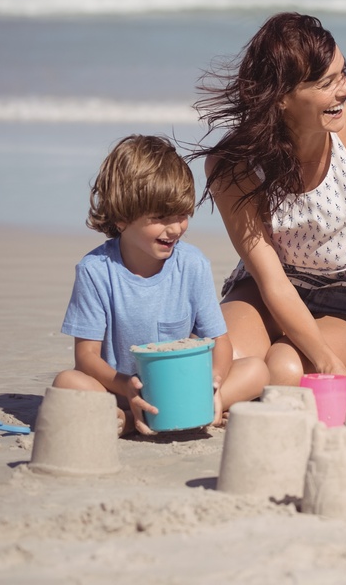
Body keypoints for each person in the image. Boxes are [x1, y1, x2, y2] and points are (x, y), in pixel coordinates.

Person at [193, 13, 346, 397]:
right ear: (282, 97)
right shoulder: (231, 166)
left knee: (285, 369)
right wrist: (329, 364)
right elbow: (272, 282)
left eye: (344, 73)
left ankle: (225, 398)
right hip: (268, 292)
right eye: (326, 83)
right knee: (211, 363)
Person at [53, 135, 269, 435]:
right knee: (68, 382)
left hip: (184, 388)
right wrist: (125, 386)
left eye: (182, 214)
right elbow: (86, 357)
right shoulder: (96, 271)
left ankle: (181, 411)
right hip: (122, 390)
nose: (175, 228)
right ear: (122, 217)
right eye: (160, 217)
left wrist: (215, 384)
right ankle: (133, 418)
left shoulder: (193, 265)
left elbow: (219, 341)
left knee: (256, 369)